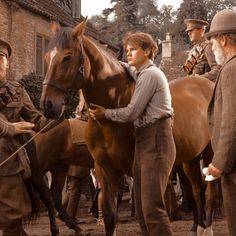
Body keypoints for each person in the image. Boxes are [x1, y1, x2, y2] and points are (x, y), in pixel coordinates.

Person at [89, 32, 176, 235]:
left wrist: (105, 113)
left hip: (156, 139)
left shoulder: (151, 75)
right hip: (144, 141)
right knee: (143, 208)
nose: (128, 53)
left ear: (147, 51)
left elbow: (132, 113)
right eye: (127, 50)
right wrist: (110, 62)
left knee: (152, 208)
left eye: (133, 49)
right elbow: (127, 67)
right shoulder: (140, 72)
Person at [0, 39, 61, 236]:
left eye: (2, 57)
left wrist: (53, 114)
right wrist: (11, 128)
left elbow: (35, 120)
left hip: (9, 165)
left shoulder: (17, 90)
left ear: (8, 63)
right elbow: (11, 127)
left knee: (12, 218)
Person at [205, 9, 236, 236]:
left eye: (214, 40)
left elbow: (232, 121)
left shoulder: (232, 69)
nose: (213, 46)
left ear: (224, 39)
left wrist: (220, 161)